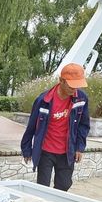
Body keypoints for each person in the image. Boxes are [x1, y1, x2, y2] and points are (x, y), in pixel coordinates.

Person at [21, 63, 90, 191]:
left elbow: (84, 125)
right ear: (61, 81)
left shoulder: (81, 99)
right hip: (46, 151)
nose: (74, 89)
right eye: (71, 85)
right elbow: (31, 126)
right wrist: (26, 149)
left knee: (64, 186)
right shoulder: (43, 100)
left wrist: (79, 147)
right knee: (43, 188)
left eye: (77, 85)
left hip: (67, 151)